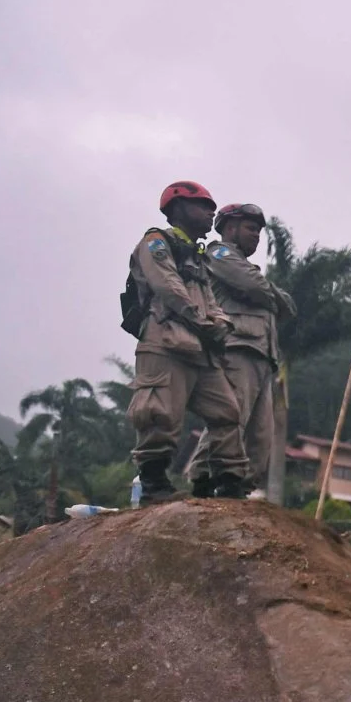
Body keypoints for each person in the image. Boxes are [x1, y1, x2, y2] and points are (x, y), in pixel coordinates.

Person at [122, 181, 249, 502]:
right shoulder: (156, 242)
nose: (211, 213)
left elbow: (209, 299)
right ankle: (154, 485)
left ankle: (227, 484)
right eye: (203, 206)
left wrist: (220, 323)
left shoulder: (196, 255)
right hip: (165, 341)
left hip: (201, 348)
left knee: (228, 413)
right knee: (158, 412)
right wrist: (205, 321)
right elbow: (167, 287)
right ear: (178, 208)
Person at [192, 203, 296, 502]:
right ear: (230, 227)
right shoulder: (219, 253)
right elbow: (251, 285)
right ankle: (204, 479)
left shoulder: (247, 267)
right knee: (229, 419)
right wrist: (269, 293)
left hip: (262, 355)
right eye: (251, 228)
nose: (256, 236)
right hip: (236, 347)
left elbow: (287, 305)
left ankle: (239, 488)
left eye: (260, 231)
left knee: (260, 435)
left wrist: (267, 293)